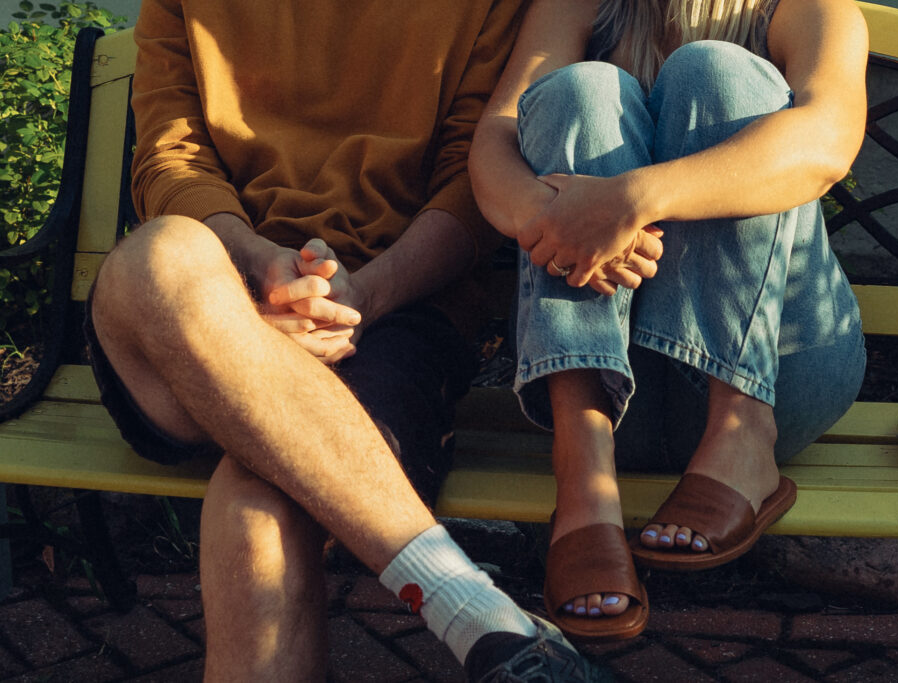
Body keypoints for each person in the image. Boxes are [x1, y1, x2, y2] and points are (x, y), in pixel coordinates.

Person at [86, 1, 606, 680]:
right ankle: (476, 609)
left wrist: (363, 294)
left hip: (395, 308)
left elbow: (471, 184)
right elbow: (169, 156)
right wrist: (256, 263)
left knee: (259, 517)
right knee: (157, 258)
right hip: (214, 300)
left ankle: (481, 617)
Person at [469, 0, 868, 642]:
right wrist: (552, 221)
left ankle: (740, 435)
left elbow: (828, 140)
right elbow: (495, 139)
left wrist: (631, 201)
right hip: (608, 382)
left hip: (779, 376)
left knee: (717, 73)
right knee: (579, 89)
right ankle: (583, 474)